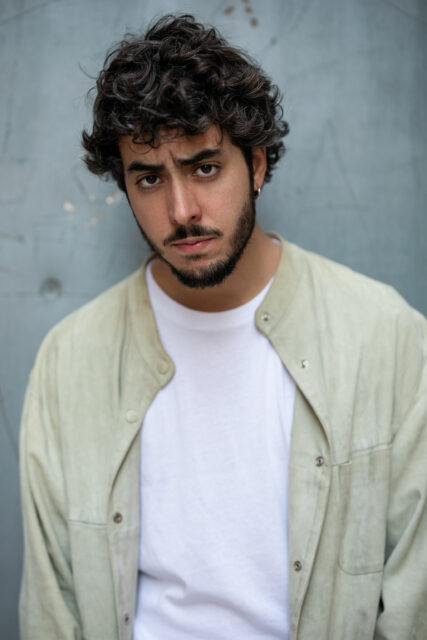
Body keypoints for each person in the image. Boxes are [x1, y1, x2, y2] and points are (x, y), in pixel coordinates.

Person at [19, 13, 426, 640]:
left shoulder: (386, 336)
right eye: (149, 178)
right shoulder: (69, 361)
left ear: (256, 165)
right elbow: (53, 609)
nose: (181, 210)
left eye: (205, 167)